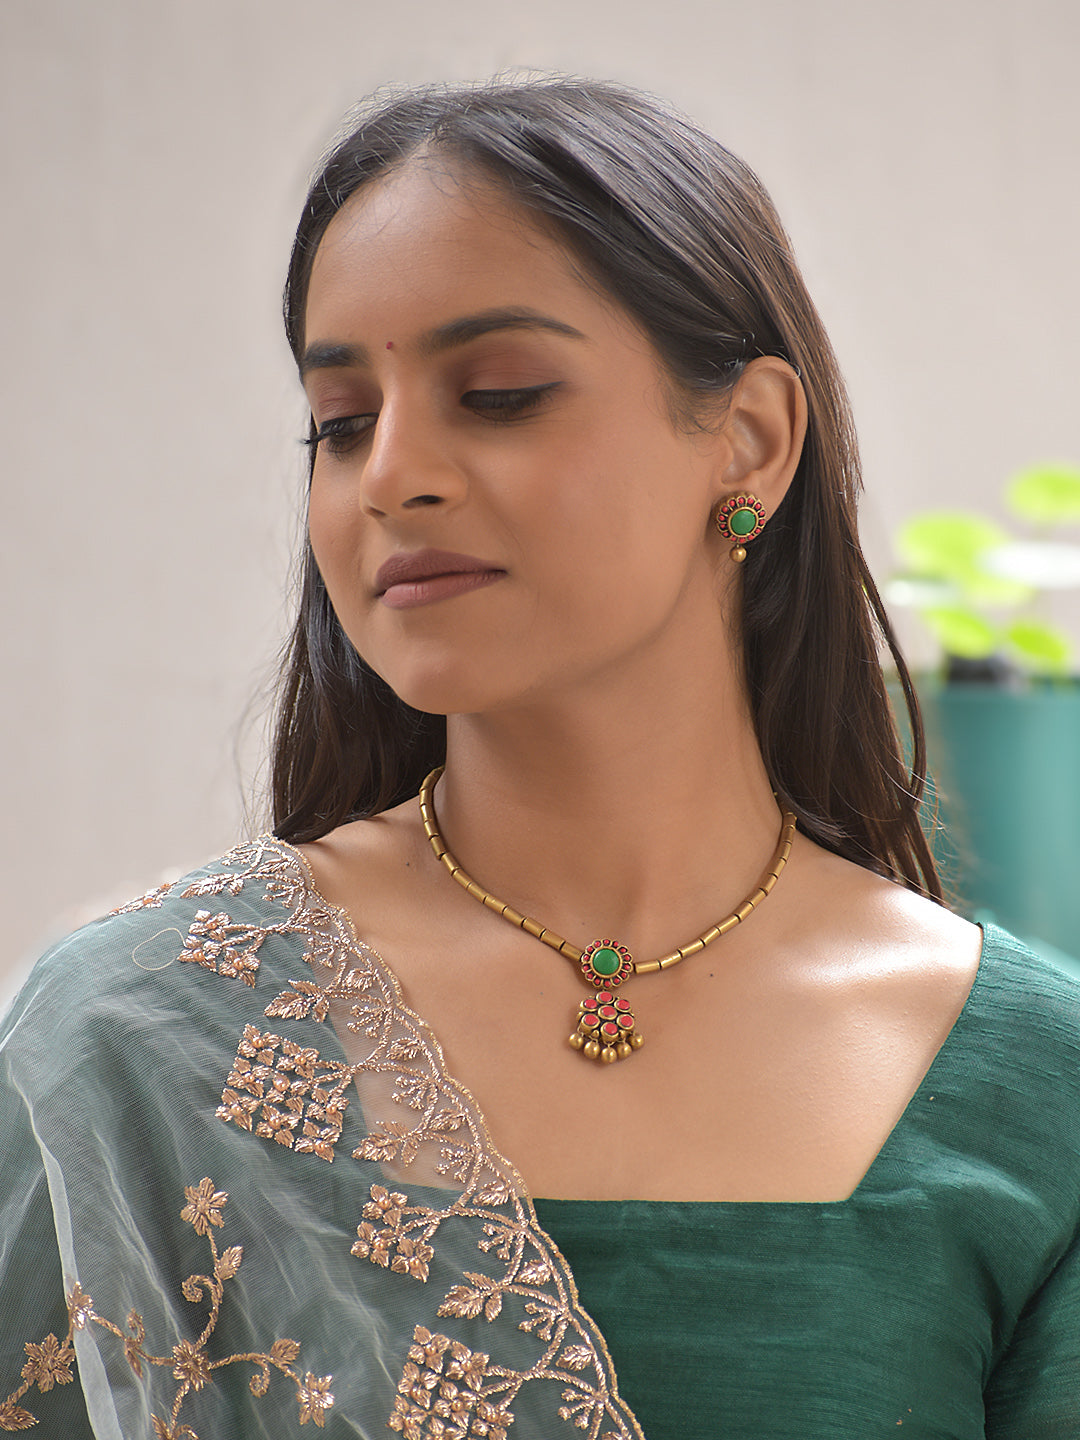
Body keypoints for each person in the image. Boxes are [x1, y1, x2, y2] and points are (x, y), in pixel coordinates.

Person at [2, 78, 1078, 1440]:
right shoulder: (133, 1041)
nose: (392, 472)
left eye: (499, 393)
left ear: (749, 441)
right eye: (339, 422)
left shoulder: (1037, 1089)